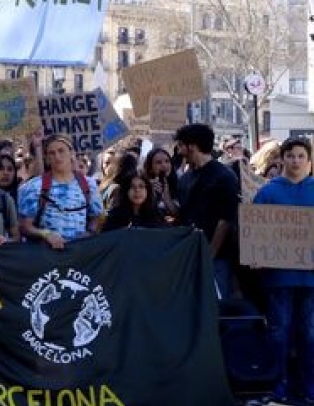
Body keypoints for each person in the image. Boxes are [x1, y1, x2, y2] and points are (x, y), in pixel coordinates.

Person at [251, 137, 314, 405]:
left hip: (311, 276)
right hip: (277, 275)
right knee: (279, 329)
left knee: (308, 331)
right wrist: (256, 254)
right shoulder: (267, 192)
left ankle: (309, 382)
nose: (295, 161)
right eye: (291, 156)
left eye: (300, 156)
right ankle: (279, 381)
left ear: (308, 160)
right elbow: (255, 231)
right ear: (282, 159)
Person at [174, 123, 239, 299]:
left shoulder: (224, 177)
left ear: (192, 146)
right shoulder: (185, 179)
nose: (178, 151)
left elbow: (226, 219)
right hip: (190, 255)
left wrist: (210, 254)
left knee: (215, 308)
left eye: (180, 145)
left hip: (217, 259)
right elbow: (184, 214)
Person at [17, 134, 103, 249]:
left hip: (81, 254)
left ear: (72, 153)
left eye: (61, 151)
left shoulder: (89, 185)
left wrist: (89, 234)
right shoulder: (34, 187)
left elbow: (95, 219)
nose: (57, 157)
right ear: (46, 159)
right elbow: (24, 226)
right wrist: (46, 234)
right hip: (46, 255)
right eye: (52, 153)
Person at [101, 170, 167, 231]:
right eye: (132, 187)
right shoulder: (115, 216)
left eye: (141, 186)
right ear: (126, 191)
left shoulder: (156, 215)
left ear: (147, 191)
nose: (137, 190)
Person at [144, 148, 180, 222]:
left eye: (167, 161)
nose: (164, 165)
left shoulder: (180, 184)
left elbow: (179, 215)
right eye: (158, 162)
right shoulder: (143, 186)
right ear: (150, 168)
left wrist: (166, 198)